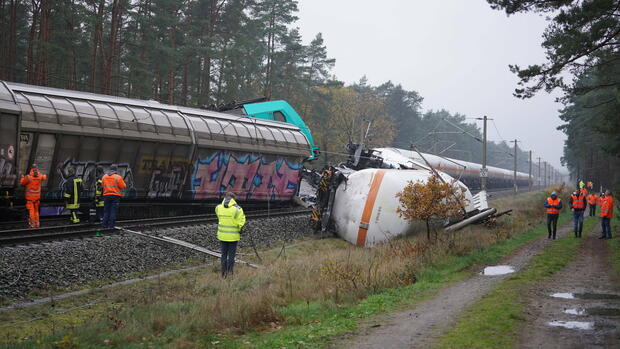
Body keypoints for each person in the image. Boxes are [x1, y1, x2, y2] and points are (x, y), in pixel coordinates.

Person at [215, 192, 246, 277]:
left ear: (225, 197)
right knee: (231, 255)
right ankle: (230, 273)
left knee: (223, 255)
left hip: (222, 236)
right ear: (233, 199)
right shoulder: (238, 209)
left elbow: (219, 218)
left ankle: (223, 273)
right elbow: (241, 223)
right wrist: (240, 230)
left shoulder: (218, 207)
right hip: (233, 237)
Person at [20, 164, 46, 228]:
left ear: (31, 169)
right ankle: (37, 224)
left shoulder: (28, 177)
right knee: (36, 211)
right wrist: (42, 174)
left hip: (30, 198)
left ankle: (32, 224)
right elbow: (44, 177)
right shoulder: (40, 176)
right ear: (37, 168)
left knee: (31, 211)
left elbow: (22, 183)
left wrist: (22, 177)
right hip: (37, 198)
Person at [101, 165, 126, 229]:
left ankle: (104, 226)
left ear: (110, 169)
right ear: (116, 170)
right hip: (115, 196)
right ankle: (111, 226)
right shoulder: (118, 177)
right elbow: (123, 186)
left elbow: (102, 186)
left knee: (106, 211)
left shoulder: (104, 177)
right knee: (113, 211)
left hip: (106, 196)